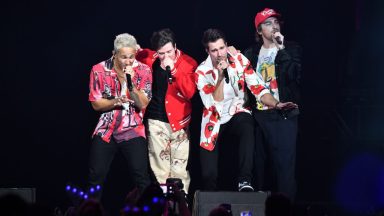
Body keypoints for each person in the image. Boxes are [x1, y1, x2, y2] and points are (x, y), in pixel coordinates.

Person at [195, 28, 297, 192]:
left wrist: (277, 104)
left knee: (247, 123)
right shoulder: (201, 72)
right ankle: (210, 203)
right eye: (214, 50)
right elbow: (213, 103)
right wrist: (220, 77)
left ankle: (244, 180)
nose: (219, 54)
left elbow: (259, 89)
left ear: (226, 46)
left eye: (222, 48)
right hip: (214, 119)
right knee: (208, 175)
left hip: (237, 112)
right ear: (207, 51)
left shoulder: (239, 60)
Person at [243, 8, 302, 200]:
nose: (274, 26)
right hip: (259, 115)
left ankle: (287, 209)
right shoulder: (251, 53)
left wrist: (282, 48)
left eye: (276, 22)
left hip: (284, 114)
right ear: (259, 30)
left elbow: (296, 77)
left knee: (285, 168)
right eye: (268, 23)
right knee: (259, 167)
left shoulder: (291, 49)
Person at [87, 33, 152, 200]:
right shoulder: (99, 70)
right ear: (114, 54)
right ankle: (92, 210)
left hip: (132, 129)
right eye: (124, 57)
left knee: (142, 177)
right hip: (106, 129)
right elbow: (95, 103)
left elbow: (143, 103)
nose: (128, 61)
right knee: (96, 176)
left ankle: (149, 211)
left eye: (131, 57)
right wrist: (115, 101)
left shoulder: (143, 70)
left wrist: (130, 83)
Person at [136, 28, 198, 194]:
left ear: (175, 46)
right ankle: (164, 208)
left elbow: (190, 92)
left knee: (179, 171)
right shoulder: (151, 58)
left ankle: (181, 206)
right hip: (155, 121)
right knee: (160, 170)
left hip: (180, 124)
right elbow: (134, 53)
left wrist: (175, 71)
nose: (165, 57)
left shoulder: (188, 63)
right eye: (161, 53)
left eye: (169, 51)